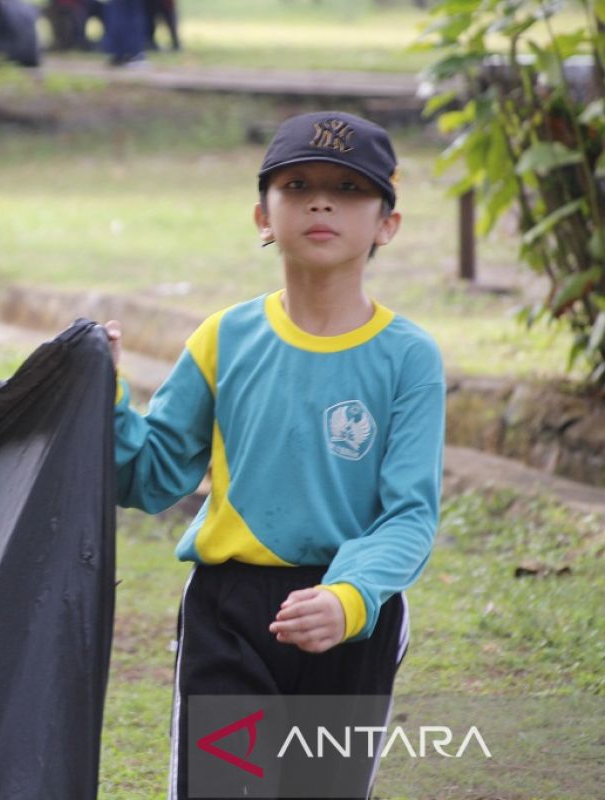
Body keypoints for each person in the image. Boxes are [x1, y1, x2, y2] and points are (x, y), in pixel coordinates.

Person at [105, 111, 445, 799]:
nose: (322, 201)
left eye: (349, 189)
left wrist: (348, 600)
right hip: (229, 614)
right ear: (263, 215)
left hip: (353, 614)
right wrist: (103, 397)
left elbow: (409, 518)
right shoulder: (223, 338)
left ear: (388, 223)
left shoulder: (409, 359)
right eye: (298, 184)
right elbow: (147, 477)